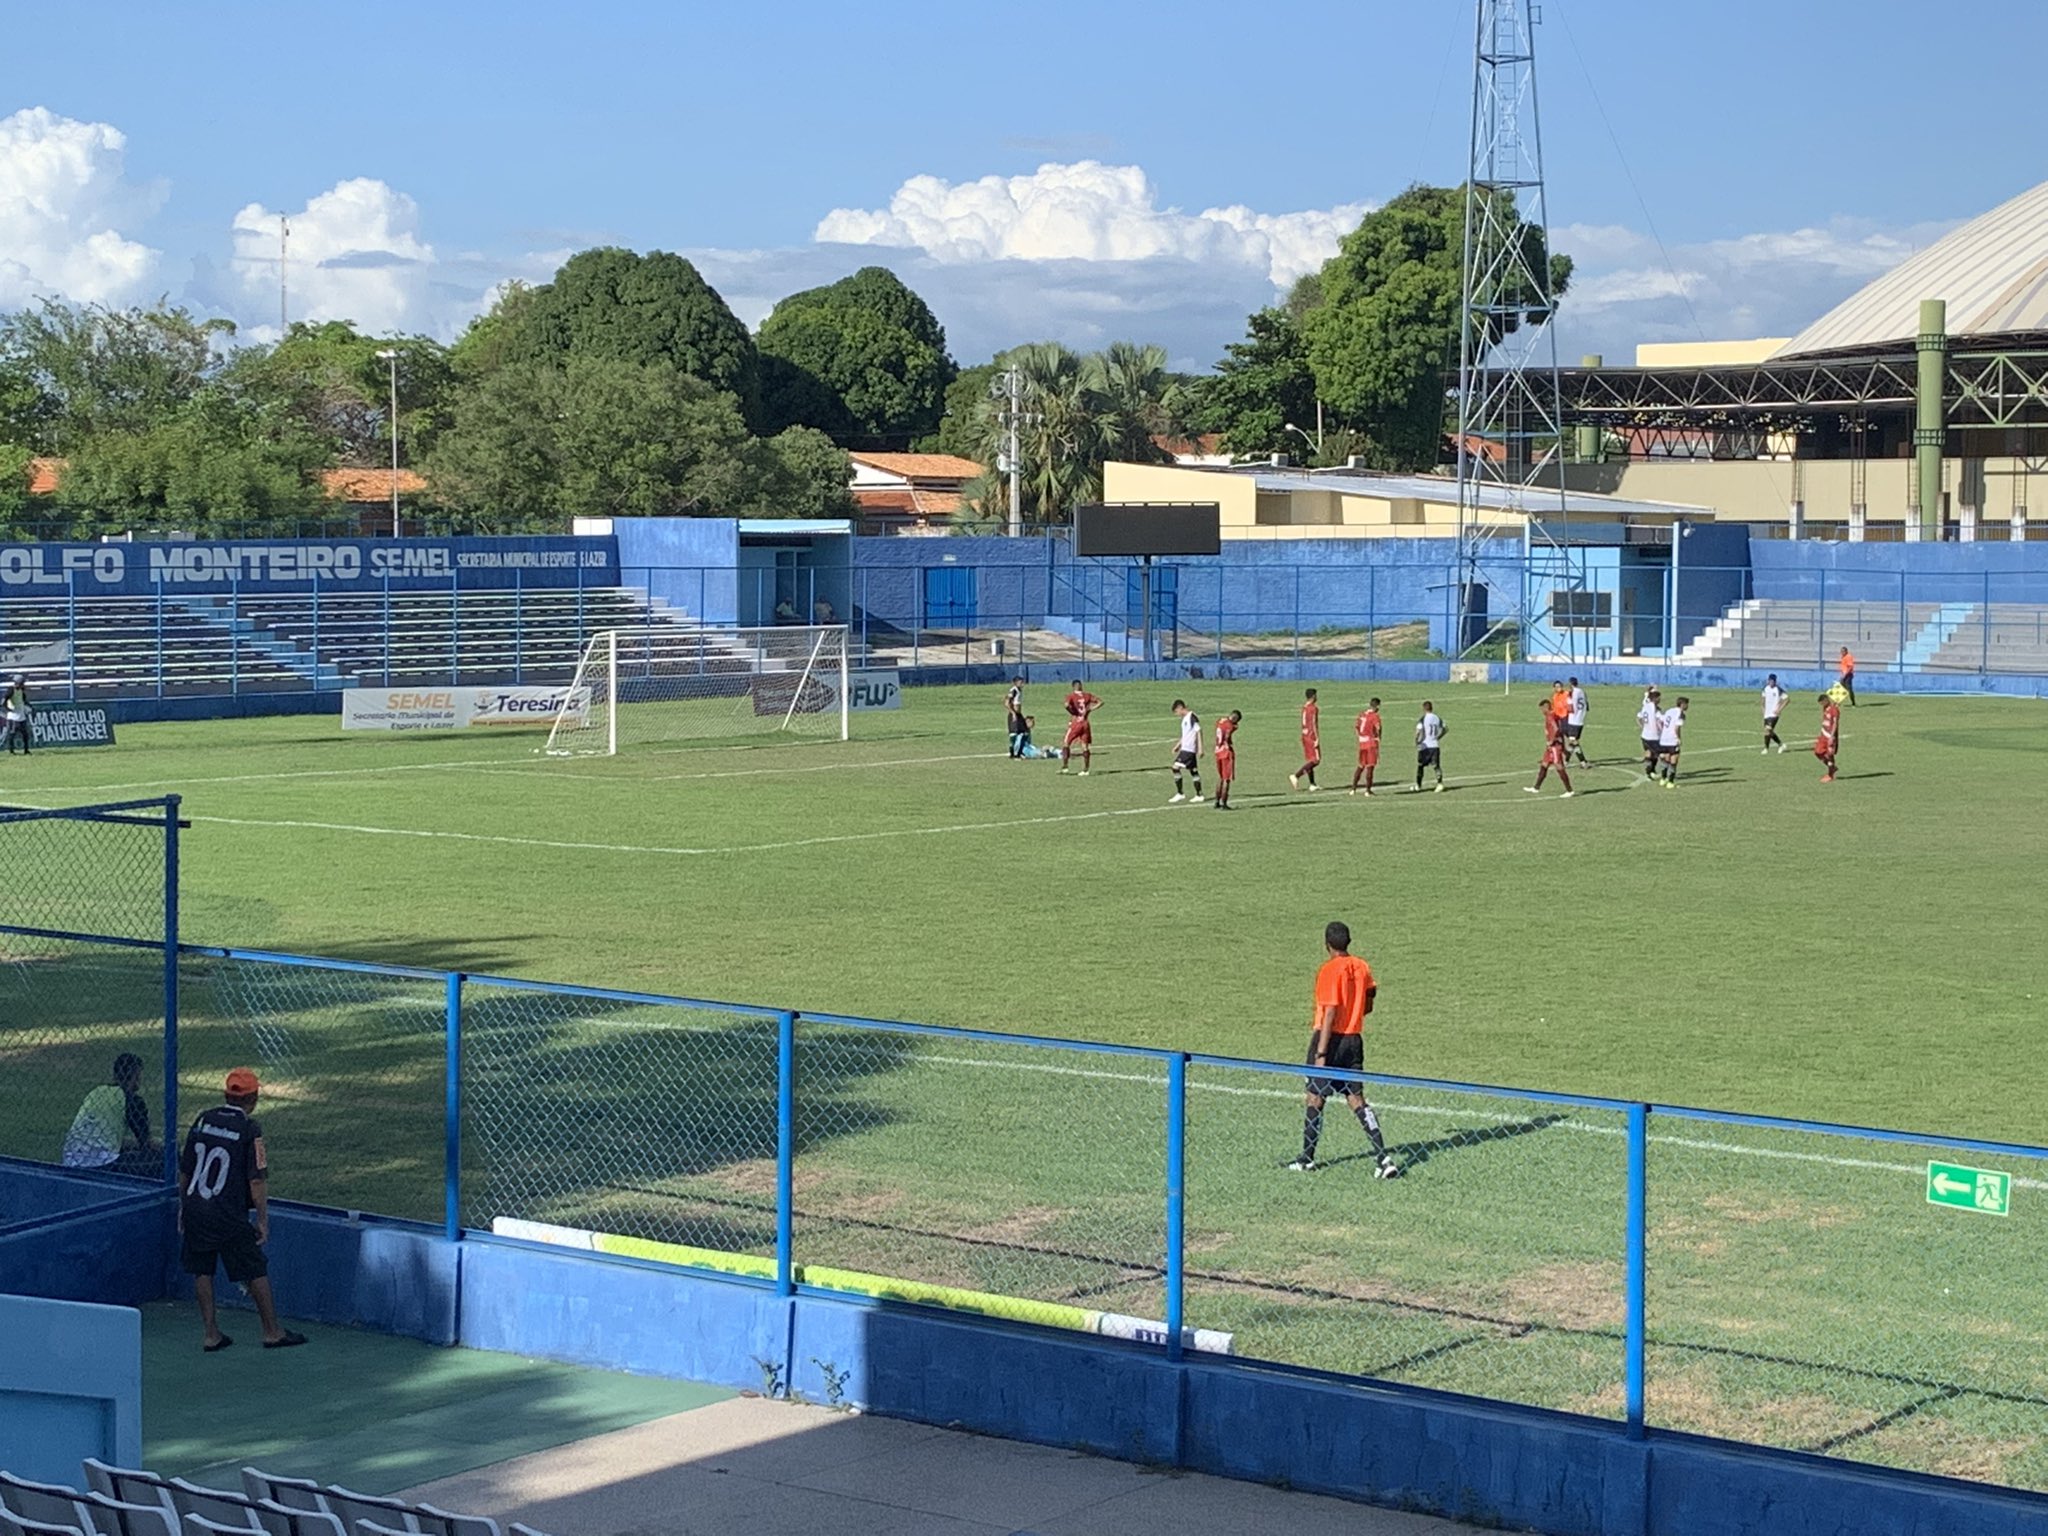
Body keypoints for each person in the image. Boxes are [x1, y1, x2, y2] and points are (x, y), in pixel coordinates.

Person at [179, 1068, 307, 1352]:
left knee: (202, 1267)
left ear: (226, 1095)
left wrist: (183, 1207)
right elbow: (257, 1179)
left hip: (195, 1206)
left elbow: (186, 1170)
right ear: (254, 1097)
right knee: (254, 1267)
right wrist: (262, 1219)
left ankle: (211, 1333)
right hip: (226, 1212)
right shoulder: (250, 1129)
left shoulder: (203, 1119)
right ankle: (272, 1331)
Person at [1289, 921, 1400, 1178]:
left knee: (1315, 1098)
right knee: (1356, 1098)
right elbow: (1369, 1001)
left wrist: (1321, 1053)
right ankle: (1383, 1157)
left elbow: (1329, 1012)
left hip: (1329, 1040)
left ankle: (1307, 1158)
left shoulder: (1329, 970)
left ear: (1326, 944)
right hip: (1353, 1040)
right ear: (1348, 942)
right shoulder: (1362, 966)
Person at [61, 1053, 158, 1176]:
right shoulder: (133, 1100)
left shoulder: (96, 1092)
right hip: (102, 1164)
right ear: (136, 1076)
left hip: (71, 1160)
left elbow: (104, 1139)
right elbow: (146, 1144)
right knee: (160, 1161)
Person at [1523, 698, 1576, 798]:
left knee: (1559, 767)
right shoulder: (1553, 715)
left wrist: (1551, 741)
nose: (1541, 712)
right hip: (1551, 747)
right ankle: (1536, 788)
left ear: (1545, 707)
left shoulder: (1550, 716)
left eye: (1542, 709)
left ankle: (1569, 790)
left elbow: (1556, 729)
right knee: (1544, 765)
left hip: (1555, 746)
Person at [1059, 680, 1101, 775]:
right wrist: (1090, 708)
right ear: (1081, 686)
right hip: (1085, 723)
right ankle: (1086, 769)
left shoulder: (1071, 696)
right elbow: (1100, 702)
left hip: (1076, 723)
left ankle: (1065, 767)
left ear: (1073, 686)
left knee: (1066, 743)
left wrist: (1072, 711)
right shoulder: (1087, 695)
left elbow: (1066, 705)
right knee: (1084, 746)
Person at [1168, 700, 1204, 804]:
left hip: (1189, 750)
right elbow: (1185, 735)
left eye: (1176, 712)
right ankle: (1199, 795)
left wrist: (1200, 748)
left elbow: (1198, 731)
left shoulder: (1192, 716)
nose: (1177, 714)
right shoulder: (1184, 719)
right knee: (1193, 771)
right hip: (1185, 748)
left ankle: (1180, 793)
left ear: (1180, 708)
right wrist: (1178, 745)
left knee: (1175, 767)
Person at [1348, 697, 1382, 796]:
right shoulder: (1375, 716)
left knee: (1361, 765)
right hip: (1371, 743)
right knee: (1370, 766)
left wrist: (1360, 737)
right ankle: (1368, 790)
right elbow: (1378, 728)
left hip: (1362, 743)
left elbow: (1356, 727)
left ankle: (1353, 788)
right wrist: (1378, 737)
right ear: (1377, 706)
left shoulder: (1362, 714)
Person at [1289, 688, 1321, 791]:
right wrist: (1316, 738)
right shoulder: (1313, 708)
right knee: (1316, 760)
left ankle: (1312, 784)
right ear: (1313, 696)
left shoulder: (1304, 707)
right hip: (1311, 736)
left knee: (1310, 760)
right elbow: (1313, 724)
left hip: (1304, 735)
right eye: (1316, 695)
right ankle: (1296, 776)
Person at [1655, 694, 1689, 787]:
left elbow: (1662, 720)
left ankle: (1663, 779)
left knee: (1665, 759)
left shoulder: (1669, 710)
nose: (1687, 707)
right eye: (1686, 704)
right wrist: (1678, 738)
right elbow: (1677, 728)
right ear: (1682, 704)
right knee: (1674, 760)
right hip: (1672, 740)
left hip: (1663, 739)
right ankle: (1670, 782)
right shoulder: (1681, 714)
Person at [1412, 701, 1447, 792]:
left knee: (1420, 766)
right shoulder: (1437, 718)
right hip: (1435, 745)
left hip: (1425, 746)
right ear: (1432, 708)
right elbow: (1445, 728)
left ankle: (1418, 785)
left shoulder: (1423, 719)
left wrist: (1416, 741)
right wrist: (1438, 737)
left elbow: (1418, 731)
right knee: (1436, 766)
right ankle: (1440, 784)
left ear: (1424, 709)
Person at [1212, 709, 1240, 810]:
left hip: (1217, 751)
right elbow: (1227, 735)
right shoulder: (1231, 726)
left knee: (1220, 777)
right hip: (1226, 752)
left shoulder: (1220, 721)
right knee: (1226, 779)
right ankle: (1224, 803)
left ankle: (1216, 801)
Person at [1636, 686, 1663, 781]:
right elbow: (1661, 718)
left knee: (1648, 752)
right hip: (1654, 736)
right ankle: (1652, 771)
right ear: (1654, 699)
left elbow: (1639, 717)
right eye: (1658, 698)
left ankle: (1649, 772)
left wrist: (1642, 726)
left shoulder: (1645, 706)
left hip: (1644, 735)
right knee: (1658, 754)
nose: (1660, 699)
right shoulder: (1653, 708)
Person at [1814, 692, 1841, 782]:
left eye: (1822, 703)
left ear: (1826, 700)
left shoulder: (1834, 710)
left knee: (1830, 755)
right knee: (1818, 752)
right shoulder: (1826, 708)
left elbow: (1835, 723)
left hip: (1830, 736)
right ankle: (1832, 767)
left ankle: (1830, 775)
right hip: (1823, 735)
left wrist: (1832, 736)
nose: (1821, 705)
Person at [1, 675, 30, 756]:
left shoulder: (21, 691)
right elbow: (3, 701)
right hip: (13, 717)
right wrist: (8, 709)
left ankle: (26, 750)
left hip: (21, 715)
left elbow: (23, 700)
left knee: (25, 734)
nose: (24, 684)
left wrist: (30, 707)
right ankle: (11, 751)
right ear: (18, 683)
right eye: (22, 683)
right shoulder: (11, 690)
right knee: (12, 733)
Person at [1564, 677, 1590, 765]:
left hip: (1573, 721)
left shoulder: (1571, 693)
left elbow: (1570, 707)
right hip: (1580, 720)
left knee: (1573, 742)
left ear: (1570, 684)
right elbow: (1587, 706)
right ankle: (1566, 761)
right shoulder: (1582, 692)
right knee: (1572, 741)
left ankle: (1583, 762)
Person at [1761, 674, 1787, 754]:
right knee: (1769, 731)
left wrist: (1779, 709)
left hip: (1774, 714)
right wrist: (1763, 710)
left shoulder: (1778, 689)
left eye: (1772, 681)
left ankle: (1766, 748)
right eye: (1770, 681)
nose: (1771, 682)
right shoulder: (1765, 689)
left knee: (1768, 730)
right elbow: (1762, 701)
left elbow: (1787, 699)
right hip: (1767, 713)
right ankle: (1781, 745)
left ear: (1775, 681)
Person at [1005, 676, 1028, 758]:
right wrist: (1013, 713)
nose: (1022, 684)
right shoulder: (1013, 690)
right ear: (1015, 682)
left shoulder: (1019, 690)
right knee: (1014, 734)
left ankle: (1019, 752)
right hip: (1014, 715)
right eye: (1020, 682)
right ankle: (1013, 754)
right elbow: (1006, 703)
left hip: (1019, 714)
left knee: (1024, 733)